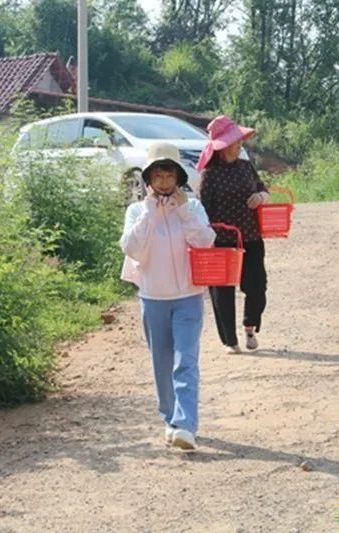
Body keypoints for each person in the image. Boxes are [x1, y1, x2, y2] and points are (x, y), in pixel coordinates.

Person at [119, 142, 216, 451]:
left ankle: (186, 424)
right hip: (153, 298)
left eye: (169, 174)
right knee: (162, 362)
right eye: (157, 175)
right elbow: (133, 248)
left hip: (189, 295)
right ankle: (170, 417)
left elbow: (205, 242)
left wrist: (184, 210)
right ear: (148, 179)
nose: (164, 182)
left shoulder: (194, 208)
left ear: (178, 177)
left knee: (185, 360)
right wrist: (149, 212)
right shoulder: (137, 211)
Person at [196, 115, 269, 354]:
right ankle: (230, 340)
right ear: (222, 147)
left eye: (240, 142)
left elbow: (261, 187)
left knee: (257, 284)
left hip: (250, 236)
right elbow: (203, 211)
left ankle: (250, 325)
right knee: (222, 292)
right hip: (222, 241)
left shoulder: (245, 166)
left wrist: (261, 197)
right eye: (235, 143)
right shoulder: (210, 175)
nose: (239, 147)